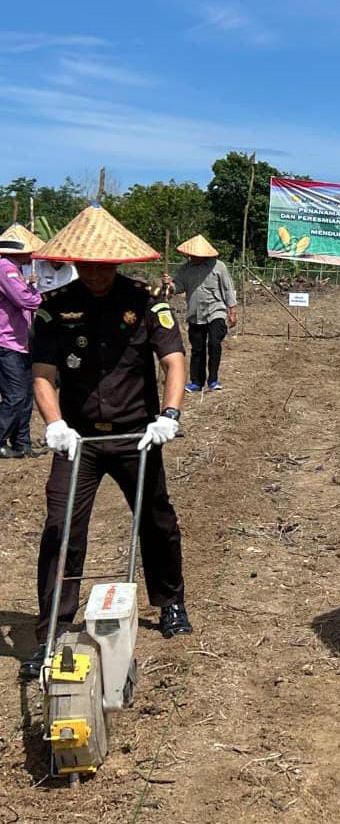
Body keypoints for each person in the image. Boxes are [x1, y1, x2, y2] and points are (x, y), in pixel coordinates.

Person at [21, 204, 192, 679]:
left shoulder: (145, 303)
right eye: (88, 265)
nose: (96, 274)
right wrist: (55, 424)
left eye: (104, 265)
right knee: (60, 530)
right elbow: (43, 374)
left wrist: (170, 414)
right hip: (79, 440)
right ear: (76, 262)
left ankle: (170, 601)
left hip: (137, 435)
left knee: (157, 520)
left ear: (117, 263)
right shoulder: (55, 309)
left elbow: (174, 360)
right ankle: (52, 630)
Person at [162, 234, 237, 392]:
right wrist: (169, 286)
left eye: (195, 255)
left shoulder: (219, 267)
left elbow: (228, 289)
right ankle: (196, 381)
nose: (192, 257)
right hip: (195, 313)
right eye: (190, 255)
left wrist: (232, 311)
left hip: (215, 310)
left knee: (214, 344)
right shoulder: (186, 269)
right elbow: (178, 286)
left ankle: (213, 380)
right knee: (197, 348)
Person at [0, 231, 43, 458]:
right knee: (16, 395)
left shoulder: (13, 269)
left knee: (24, 395)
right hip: (7, 341)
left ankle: (22, 443)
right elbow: (25, 299)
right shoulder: (6, 267)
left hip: (18, 341)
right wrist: (42, 297)